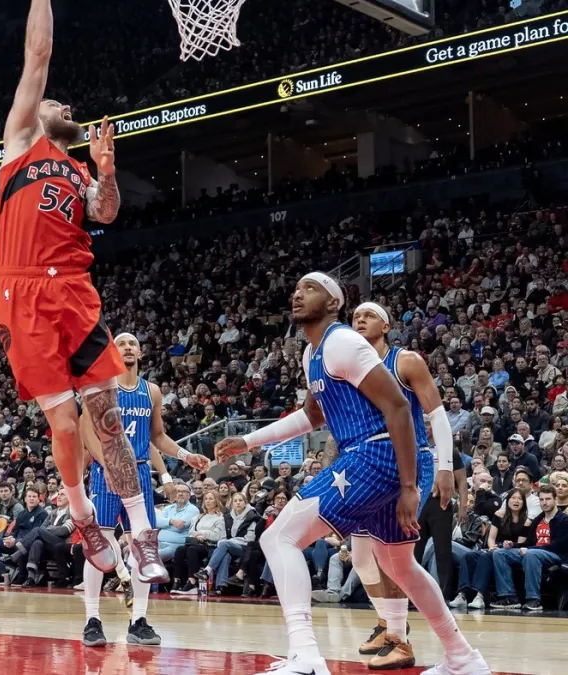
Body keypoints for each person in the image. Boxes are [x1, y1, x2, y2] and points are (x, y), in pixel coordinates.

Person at [214, 273, 489, 675]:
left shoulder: (342, 342)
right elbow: (311, 416)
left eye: (310, 289)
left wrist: (411, 485)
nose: (297, 293)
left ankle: (306, 656)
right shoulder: (312, 355)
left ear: (332, 304)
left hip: (377, 453)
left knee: (279, 537)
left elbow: (398, 407)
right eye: (296, 288)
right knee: (398, 566)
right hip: (380, 456)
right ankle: (464, 657)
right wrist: (249, 440)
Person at [0, 0, 162, 582]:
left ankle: (143, 532)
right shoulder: (20, 143)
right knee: (64, 424)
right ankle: (82, 514)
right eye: (55, 102)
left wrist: (108, 171)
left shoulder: (82, 171)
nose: (66, 105)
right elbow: (37, 55)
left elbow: (107, 215)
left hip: (76, 292)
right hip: (22, 292)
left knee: (106, 417)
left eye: (67, 105)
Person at [344, 302, 463, 669]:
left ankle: (402, 636)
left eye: (368, 315)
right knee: (362, 558)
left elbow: (438, 416)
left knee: (394, 558)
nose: (359, 320)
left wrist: (446, 468)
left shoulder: (405, 361)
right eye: (355, 317)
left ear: (386, 324)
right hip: (367, 464)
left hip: (407, 463)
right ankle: (388, 622)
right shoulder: (349, 367)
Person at [79, 333, 209, 647]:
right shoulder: (101, 388)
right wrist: (107, 464)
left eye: (131, 344)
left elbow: (158, 437)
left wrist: (184, 455)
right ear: (113, 351)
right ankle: (92, 620)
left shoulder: (150, 392)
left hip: (138, 470)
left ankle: (139, 620)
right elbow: (87, 432)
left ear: (140, 352)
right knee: (102, 543)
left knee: (144, 545)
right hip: (106, 470)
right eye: (120, 343)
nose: (126, 347)